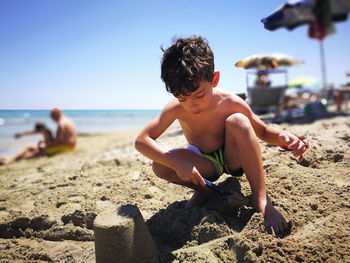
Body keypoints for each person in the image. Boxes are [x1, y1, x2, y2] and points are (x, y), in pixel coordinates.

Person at [134, 36, 308, 235]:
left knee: (238, 121)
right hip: (205, 162)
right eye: (182, 98)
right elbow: (142, 140)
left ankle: (261, 199)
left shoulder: (230, 102)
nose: (192, 105)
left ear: (214, 79)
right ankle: (203, 191)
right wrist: (176, 162)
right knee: (160, 164)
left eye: (199, 95)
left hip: (233, 158)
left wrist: (284, 137)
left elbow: (263, 131)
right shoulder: (176, 108)